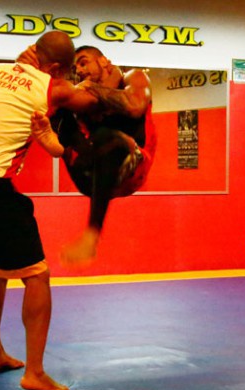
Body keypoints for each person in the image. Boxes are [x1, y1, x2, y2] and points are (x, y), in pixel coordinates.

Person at [0, 31, 101, 390]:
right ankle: (36, 372)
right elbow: (95, 100)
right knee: (37, 276)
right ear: (57, 67)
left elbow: (4, 96)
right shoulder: (52, 88)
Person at [30, 45, 156, 267]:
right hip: (91, 177)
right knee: (62, 111)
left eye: (83, 62)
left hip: (131, 168)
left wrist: (92, 88)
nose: (79, 70)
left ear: (104, 61)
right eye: (75, 67)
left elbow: (135, 105)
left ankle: (92, 234)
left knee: (105, 135)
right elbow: (57, 96)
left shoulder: (132, 77)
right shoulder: (83, 94)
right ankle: (56, 144)